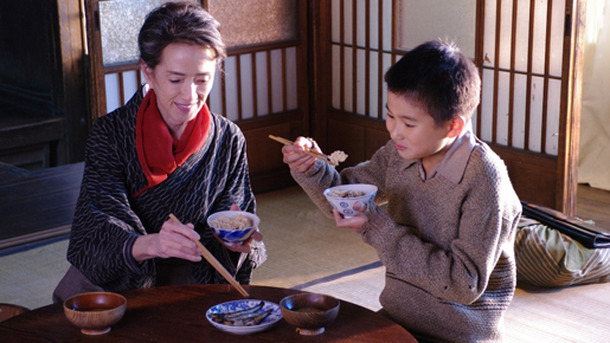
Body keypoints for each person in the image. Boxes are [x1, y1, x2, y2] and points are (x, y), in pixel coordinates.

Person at [281, 40, 521, 342]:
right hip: (398, 318)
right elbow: (344, 195)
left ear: (452, 127)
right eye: (390, 115)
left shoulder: (485, 179)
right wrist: (311, 168)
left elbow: (463, 285)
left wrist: (378, 227)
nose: (394, 131)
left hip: (458, 333)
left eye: (408, 123)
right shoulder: (399, 154)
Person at [53, 1, 266, 302]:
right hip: (117, 285)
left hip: (196, 281)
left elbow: (234, 214)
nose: (191, 95)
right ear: (148, 72)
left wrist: (236, 240)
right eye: (176, 79)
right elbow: (98, 227)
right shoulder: (110, 135)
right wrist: (153, 244)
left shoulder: (228, 138)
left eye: (202, 79)